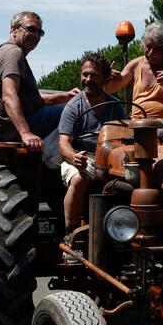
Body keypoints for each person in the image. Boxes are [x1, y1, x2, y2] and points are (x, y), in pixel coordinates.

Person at [57, 53, 125, 245]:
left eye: (94, 75)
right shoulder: (73, 106)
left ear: (104, 78)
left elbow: (126, 136)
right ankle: (70, 233)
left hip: (110, 160)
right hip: (82, 159)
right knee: (79, 178)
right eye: (85, 74)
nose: (88, 79)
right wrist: (74, 158)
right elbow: (63, 144)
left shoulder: (115, 106)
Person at [0, 11, 79, 150]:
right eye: (31, 29)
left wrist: (65, 96)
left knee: (76, 103)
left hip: (6, 128)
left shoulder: (8, 52)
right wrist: (26, 133)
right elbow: (9, 96)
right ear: (14, 29)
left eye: (40, 32)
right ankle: (63, 158)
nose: (36, 35)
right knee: (81, 108)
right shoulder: (13, 53)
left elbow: (32, 99)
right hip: (17, 127)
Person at [106, 22, 163, 141]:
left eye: (157, 48)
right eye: (148, 46)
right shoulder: (135, 64)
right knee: (107, 133)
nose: (151, 52)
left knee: (144, 138)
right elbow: (110, 89)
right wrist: (107, 78)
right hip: (135, 124)